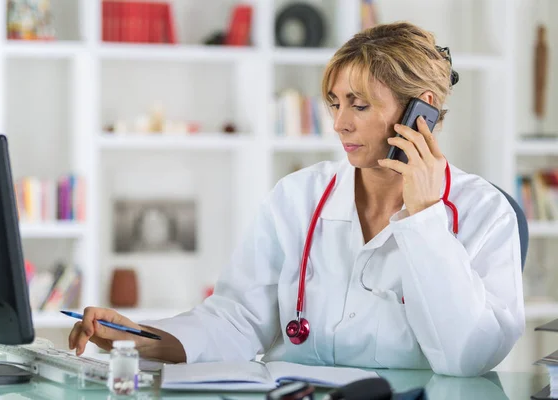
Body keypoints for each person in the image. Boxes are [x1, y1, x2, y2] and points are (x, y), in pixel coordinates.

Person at [69, 21, 525, 377]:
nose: (339, 124)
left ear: (420, 109)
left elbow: (468, 359)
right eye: (334, 103)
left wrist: (425, 220)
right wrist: (138, 337)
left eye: (359, 105)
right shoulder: (300, 196)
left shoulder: (485, 214)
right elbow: (237, 318)